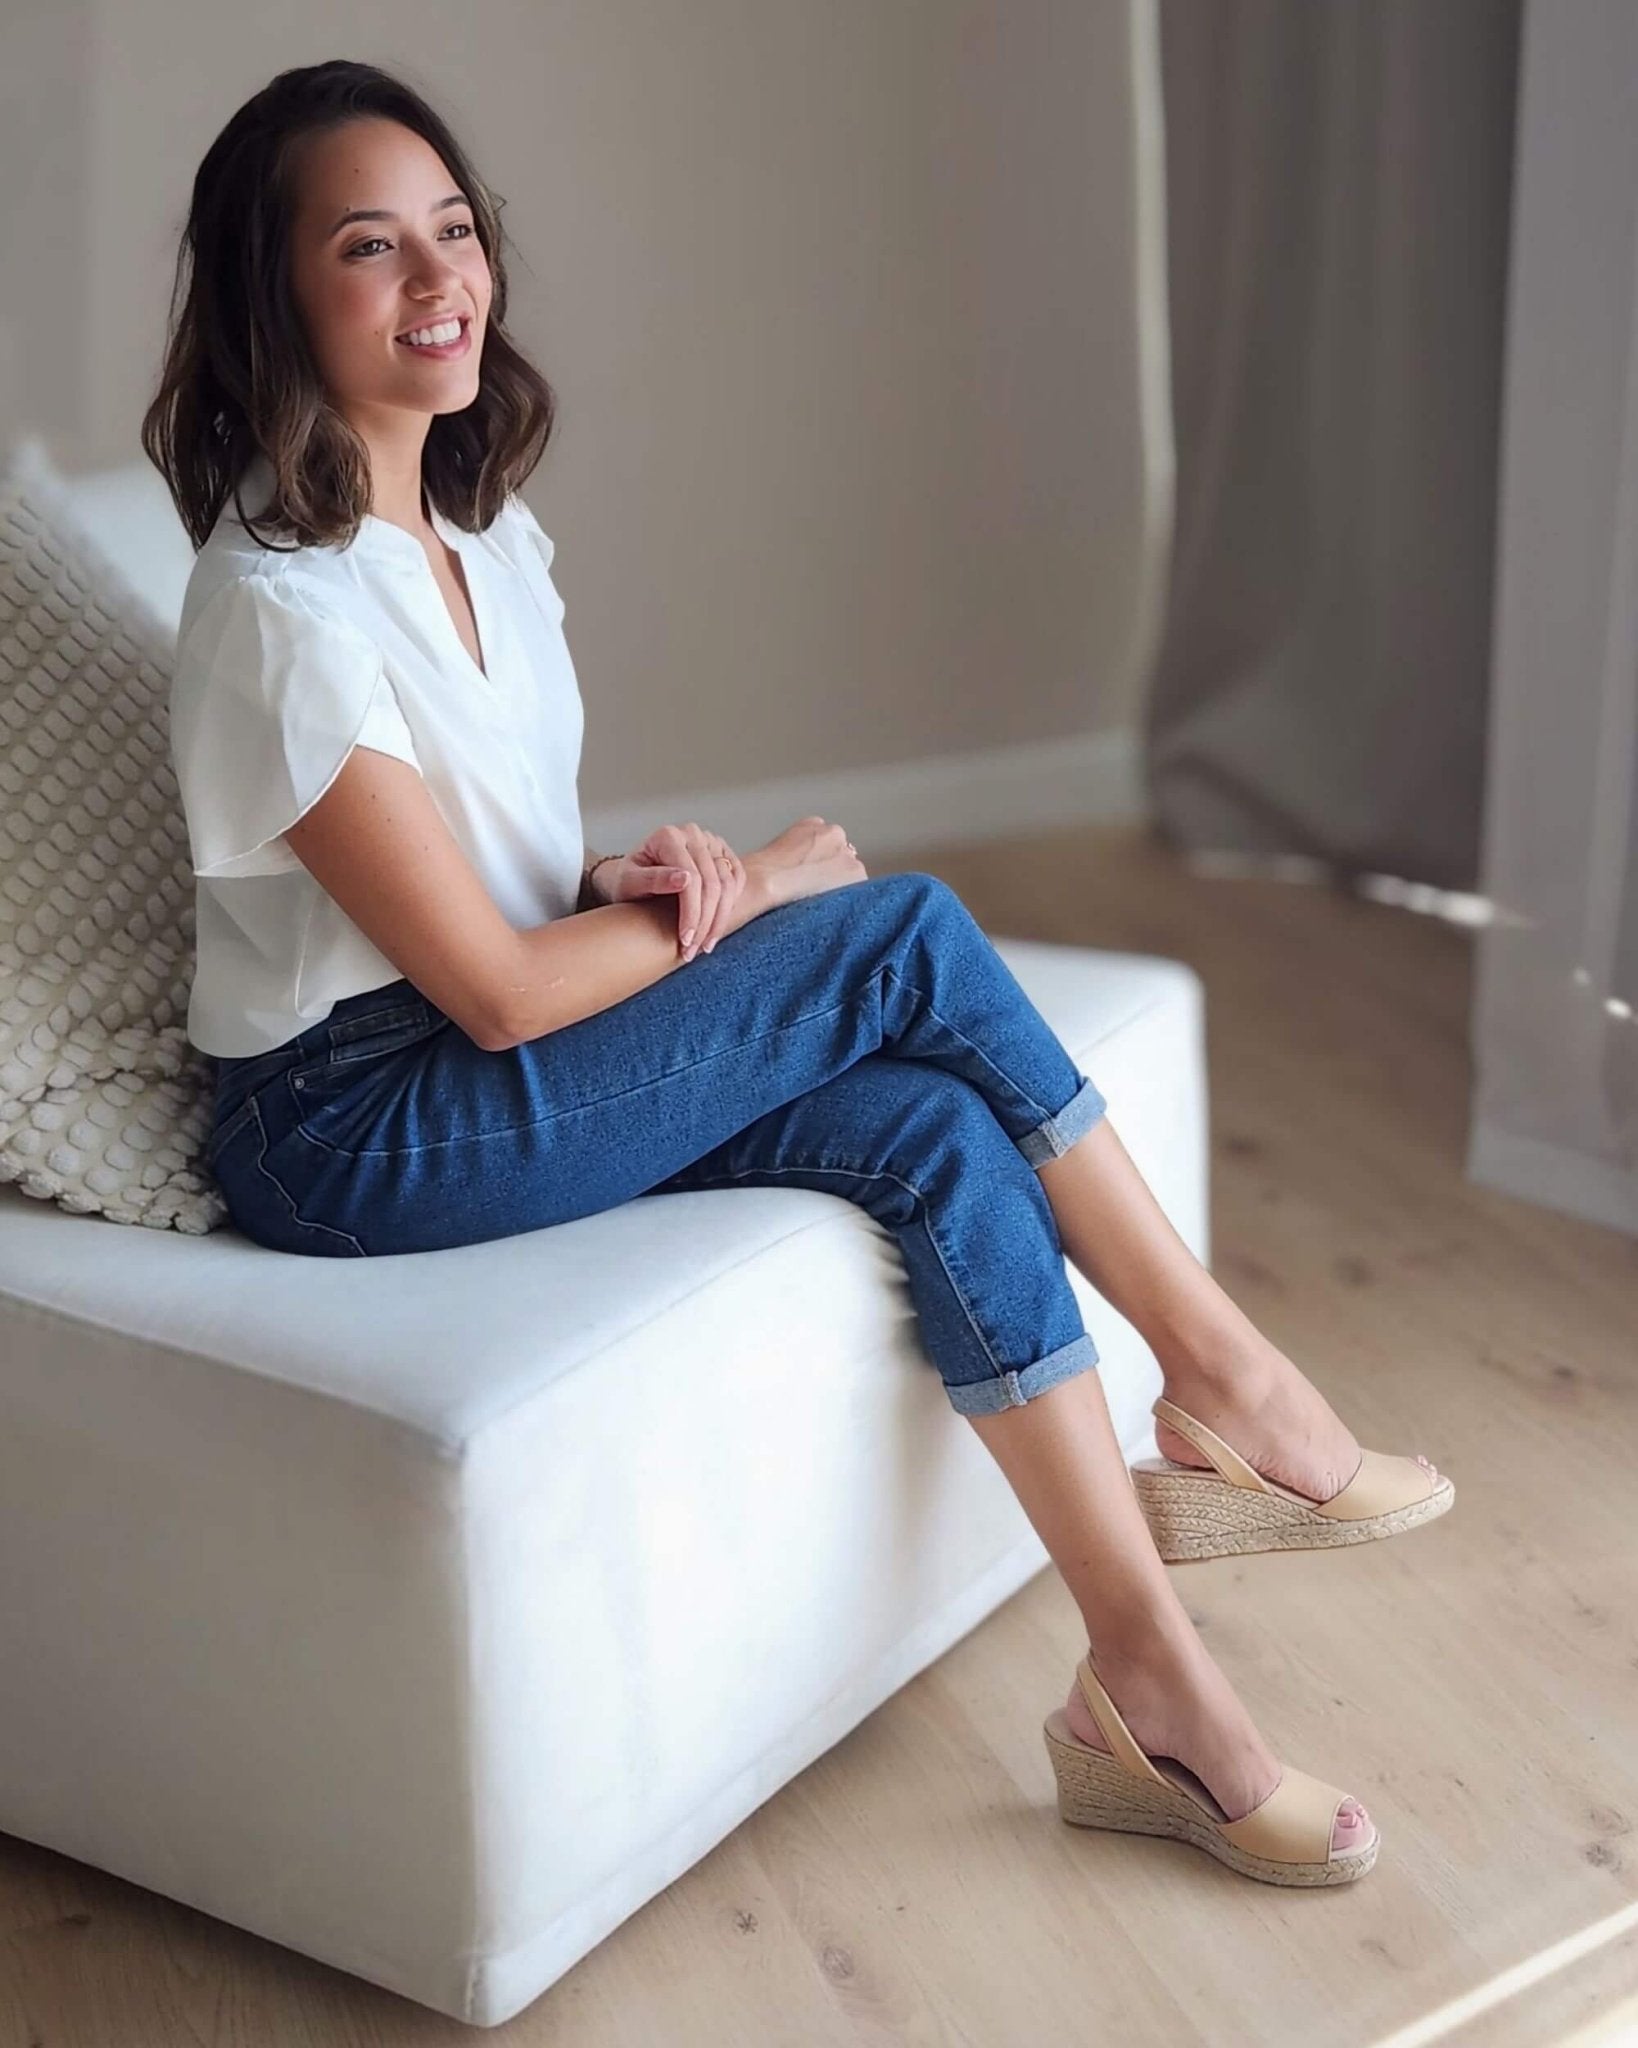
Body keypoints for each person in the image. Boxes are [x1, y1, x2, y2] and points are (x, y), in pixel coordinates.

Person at [144, 58, 1452, 1891]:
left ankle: (1148, 1697)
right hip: (348, 1130)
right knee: (894, 933)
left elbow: (481, 880)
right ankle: (1226, 1377)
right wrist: (752, 888)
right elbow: (499, 1000)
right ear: (277, 295)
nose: (436, 276)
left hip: (461, 1045)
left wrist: (631, 878)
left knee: (930, 1126)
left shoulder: (485, 541)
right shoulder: (271, 605)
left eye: (454, 230)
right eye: (368, 247)